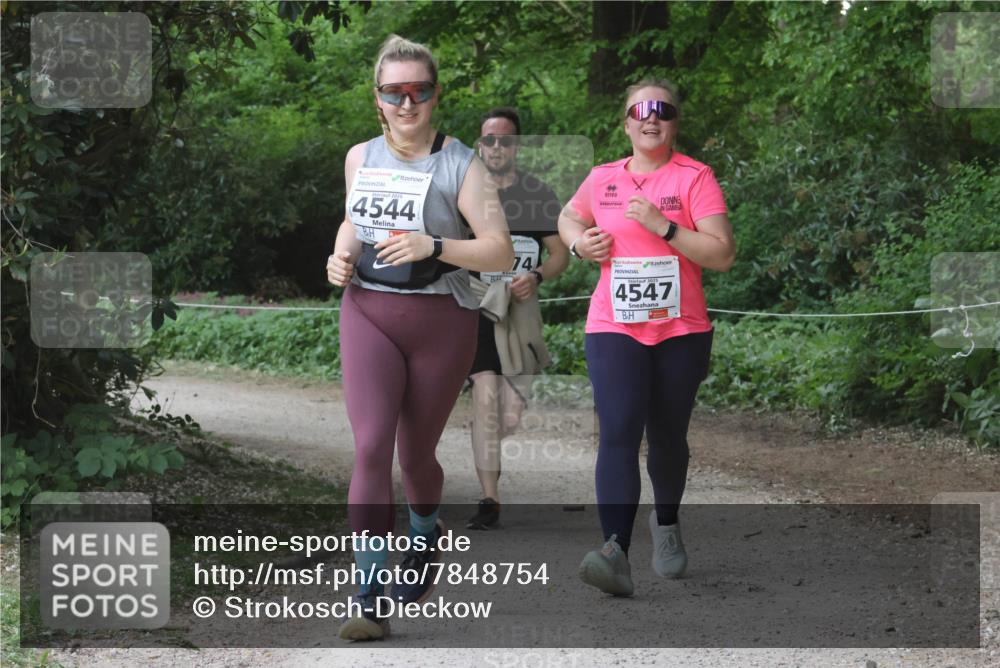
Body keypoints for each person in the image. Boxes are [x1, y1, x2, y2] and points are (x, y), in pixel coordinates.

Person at [326, 35, 513, 640]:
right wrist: (338, 254)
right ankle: (368, 594)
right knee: (372, 446)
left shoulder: (461, 162)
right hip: (370, 311)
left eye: (420, 92)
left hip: (442, 319)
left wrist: (434, 245)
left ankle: (425, 531)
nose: (408, 104)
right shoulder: (360, 156)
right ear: (377, 99)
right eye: (395, 93)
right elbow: (355, 219)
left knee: (415, 455)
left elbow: (498, 250)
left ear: (435, 96)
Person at [557, 78, 735, 597]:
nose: (650, 117)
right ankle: (614, 550)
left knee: (668, 436)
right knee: (617, 430)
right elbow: (569, 216)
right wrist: (577, 243)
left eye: (662, 110)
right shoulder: (603, 178)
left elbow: (722, 254)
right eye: (640, 110)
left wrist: (666, 228)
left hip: (681, 329)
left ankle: (667, 520)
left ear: (675, 120)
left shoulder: (696, 177)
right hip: (614, 325)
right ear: (626, 121)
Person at [465, 108, 569, 530]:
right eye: (488, 139)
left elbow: (561, 252)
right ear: (479, 144)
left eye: (504, 140)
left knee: (507, 416)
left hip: (521, 309)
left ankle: (483, 436)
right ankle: (489, 499)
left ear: (516, 146)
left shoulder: (536, 193)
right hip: (476, 305)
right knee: (485, 394)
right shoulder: (466, 191)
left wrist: (538, 275)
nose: (495, 147)